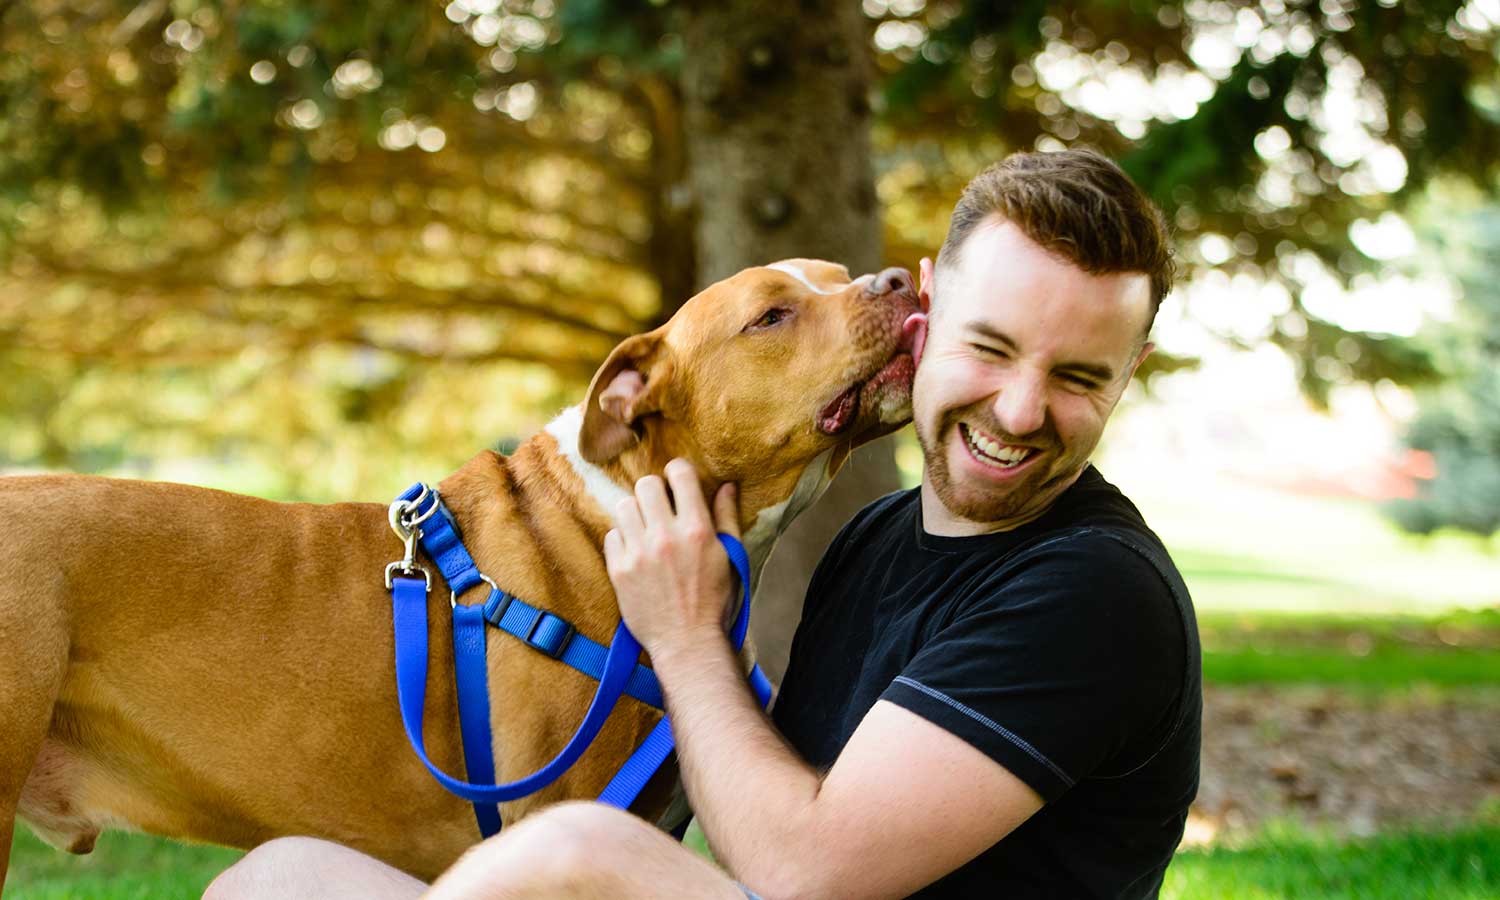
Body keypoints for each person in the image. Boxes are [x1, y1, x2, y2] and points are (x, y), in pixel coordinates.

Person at [207, 148, 1201, 900]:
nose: (1021, 412)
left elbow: (804, 870)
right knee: (281, 877)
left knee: (570, 853)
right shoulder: (877, 539)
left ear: (1129, 373)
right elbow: (752, 818)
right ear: (925, 314)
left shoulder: (1093, 592)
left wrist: (685, 639)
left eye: (1078, 378)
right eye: (991, 347)